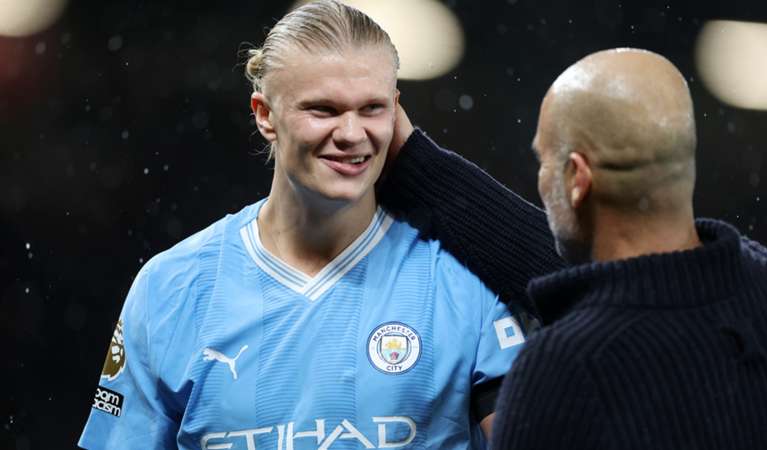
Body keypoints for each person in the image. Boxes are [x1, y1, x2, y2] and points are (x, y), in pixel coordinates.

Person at [78, 2, 527, 449]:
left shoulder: (462, 278)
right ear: (264, 115)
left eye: (372, 108)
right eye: (324, 110)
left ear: (396, 111)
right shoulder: (171, 289)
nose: (352, 133)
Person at [384, 48, 767, 448]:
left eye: (544, 159)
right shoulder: (766, 289)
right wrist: (417, 163)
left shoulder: (567, 368)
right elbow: (614, 293)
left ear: (576, 178)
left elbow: (610, 322)